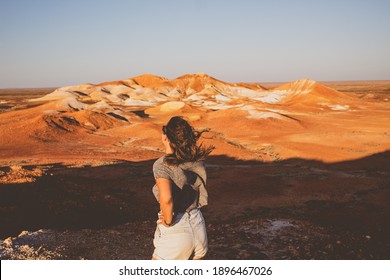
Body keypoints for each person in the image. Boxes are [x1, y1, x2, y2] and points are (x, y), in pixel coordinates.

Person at [151, 116, 214, 260]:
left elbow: (166, 199)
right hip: (198, 225)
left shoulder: (161, 165)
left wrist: (167, 222)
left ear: (165, 137)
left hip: (177, 229)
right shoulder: (196, 160)